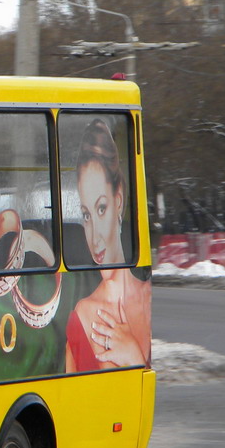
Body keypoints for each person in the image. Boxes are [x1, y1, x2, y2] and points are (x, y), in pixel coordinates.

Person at [65, 119, 152, 372]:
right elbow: (74, 407)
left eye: (101, 208)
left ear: (119, 202)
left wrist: (134, 357)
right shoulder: (82, 317)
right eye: (86, 215)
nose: (94, 238)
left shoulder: (146, 296)